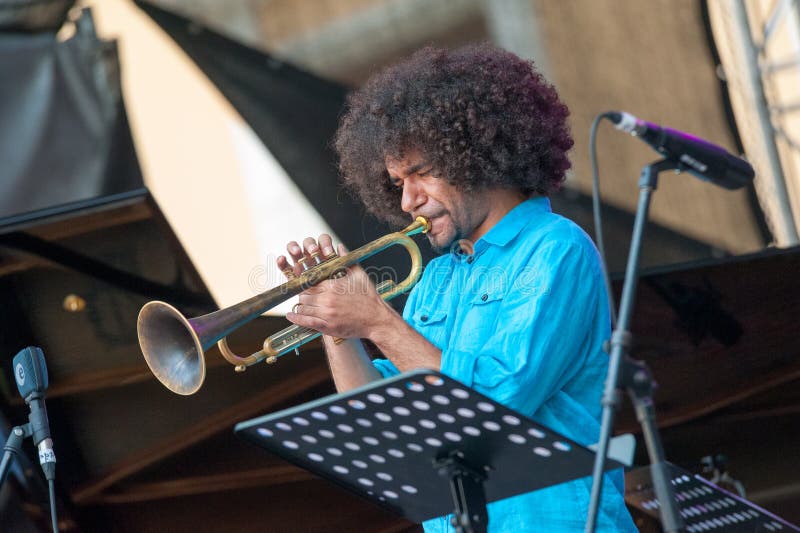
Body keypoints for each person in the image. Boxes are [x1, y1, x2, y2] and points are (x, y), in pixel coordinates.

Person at [277, 44, 636, 532]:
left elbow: (496, 404)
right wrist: (335, 324)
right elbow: (382, 422)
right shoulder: (438, 277)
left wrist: (379, 321)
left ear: (476, 155)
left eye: (421, 173)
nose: (408, 200)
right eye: (397, 181)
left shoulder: (556, 250)